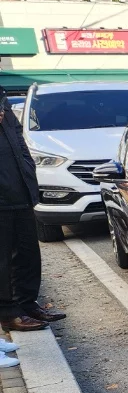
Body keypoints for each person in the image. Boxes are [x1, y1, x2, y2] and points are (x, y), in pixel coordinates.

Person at [0, 95, 62, 342]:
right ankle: (8, 312)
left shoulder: (3, 101)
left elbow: (18, 140)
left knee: (28, 253)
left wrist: (28, 169)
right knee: (3, 259)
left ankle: (26, 304)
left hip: (19, 189)